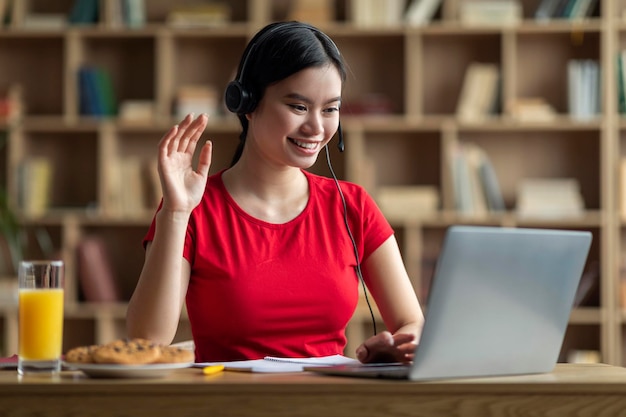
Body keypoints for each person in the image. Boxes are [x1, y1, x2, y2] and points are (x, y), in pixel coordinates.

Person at [126, 21, 424, 363]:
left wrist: (398, 346)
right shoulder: (194, 210)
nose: (316, 127)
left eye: (330, 109)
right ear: (247, 103)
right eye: (298, 107)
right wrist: (176, 214)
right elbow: (146, 341)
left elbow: (410, 322)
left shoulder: (353, 205)